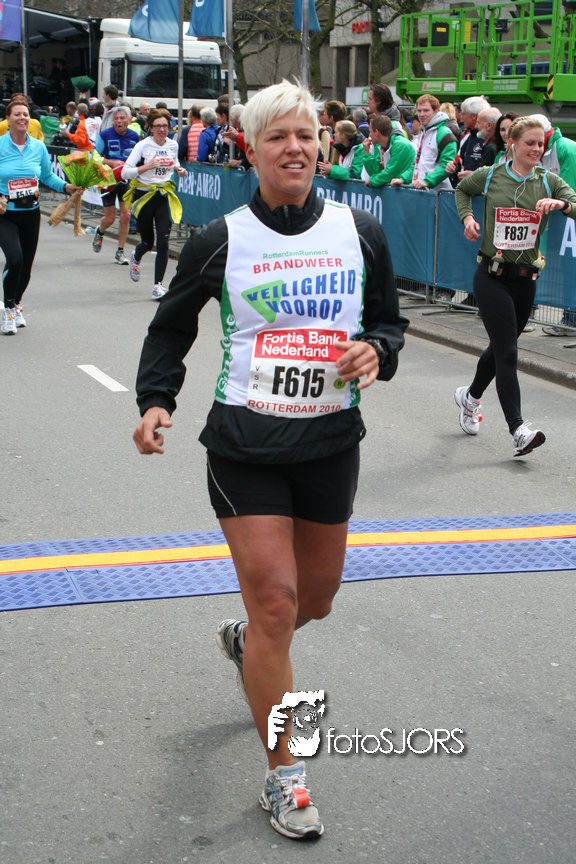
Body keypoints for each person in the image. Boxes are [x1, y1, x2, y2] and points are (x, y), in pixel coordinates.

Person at [132, 80, 408, 839]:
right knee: (278, 602)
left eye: (306, 135)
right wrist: (155, 399)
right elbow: (171, 325)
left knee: (314, 600)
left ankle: (249, 643)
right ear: (250, 149)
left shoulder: (359, 232)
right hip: (244, 446)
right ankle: (286, 775)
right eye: (278, 136)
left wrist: (376, 351)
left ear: (322, 145)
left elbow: (389, 322)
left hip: (328, 442)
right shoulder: (220, 239)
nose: (295, 148)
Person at [453, 116, 576, 457]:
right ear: (513, 145)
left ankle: (469, 397)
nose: (536, 149)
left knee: (500, 348)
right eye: (530, 143)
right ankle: (518, 430)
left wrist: (562, 204)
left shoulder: (549, 181)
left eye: (541, 144)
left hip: (526, 280)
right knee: (508, 351)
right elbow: (462, 190)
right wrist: (467, 218)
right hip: (491, 276)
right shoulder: (492, 174)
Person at [0, 98, 81, 335]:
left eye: (25, 114)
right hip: (5, 214)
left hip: (30, 213)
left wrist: (66, 187)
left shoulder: (38, 147)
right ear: (8, 119)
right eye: (17, 114)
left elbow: (47, 176)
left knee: (25, 267)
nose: (22, 118)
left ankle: (15, 303)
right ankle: (8, 310)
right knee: (15, 259)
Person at [121, 108, 186, 300]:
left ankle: (158, 286)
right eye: (158, 126)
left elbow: (175, 162)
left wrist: (179, 169)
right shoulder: (142, 146)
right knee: (148, 242)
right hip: (144, 196)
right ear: (150, 127)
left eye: (165, 126)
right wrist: (147, 167)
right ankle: (137, 255)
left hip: (163, 195)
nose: (162, 130)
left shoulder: (173, 145)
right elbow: (125, 172)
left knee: (164, 242)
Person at [531, 113, 576, 336]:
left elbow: (566, 189)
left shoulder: (565, 148)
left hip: (569, 219)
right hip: (561, 220)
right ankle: (569, 318)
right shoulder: (542, 150)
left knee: (570, 269)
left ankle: (571, 319)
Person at [92, 105, 141, 265]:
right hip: (109, 180)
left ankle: (120, 252)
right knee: (110, 218)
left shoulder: (135, 137)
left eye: (122, 118)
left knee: (126, 215)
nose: (119, 121)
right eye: (116, 119)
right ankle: (100, 231)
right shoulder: (105, 135)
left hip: (126, 181)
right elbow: (94, 157)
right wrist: (110, 162)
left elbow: (141, 157)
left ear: (128, 120)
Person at [392, 94, 457, 191]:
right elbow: (417, 163)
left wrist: (427, 182)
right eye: (419, 111)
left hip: (436, 193)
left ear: (436, 111)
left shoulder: (444, 133)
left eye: (426, 110)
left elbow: (446, 166)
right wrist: (403, 179)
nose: (421, 114)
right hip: (421, 191)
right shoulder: (424, 131)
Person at [362, 114, 416, 187]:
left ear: (377, 132)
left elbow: (390, 174)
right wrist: (367, 153)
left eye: (370, 131)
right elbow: (376, 172)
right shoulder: (381, 146)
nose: (369, 135)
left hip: (409, 190)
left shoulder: (400, 145)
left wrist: (372, 180)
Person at [445, 96, 490, 184]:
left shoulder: (489, 138)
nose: (461, 117)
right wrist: (452, 168)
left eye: (463, 113)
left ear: (473, 116)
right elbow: (459, 164)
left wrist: (474, 176)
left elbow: (494, 173)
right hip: (464, 188)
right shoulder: (466, 136)